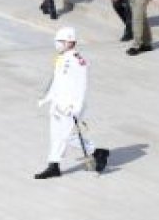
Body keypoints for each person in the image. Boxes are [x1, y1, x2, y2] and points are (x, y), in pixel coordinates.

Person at [34, 27, 109, 179]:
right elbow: (56, 80)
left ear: (70, 42)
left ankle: (97, 152)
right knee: (55, 135)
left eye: (61, 41)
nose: (58, 44)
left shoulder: (78, 60)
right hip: (58, 103)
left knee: (68, 136)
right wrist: (47, 97)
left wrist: (76, 106)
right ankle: (53, 165)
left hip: (70, 105)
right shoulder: (60, 57)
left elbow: (82, 85)